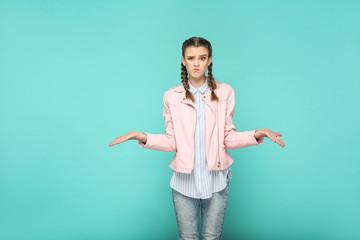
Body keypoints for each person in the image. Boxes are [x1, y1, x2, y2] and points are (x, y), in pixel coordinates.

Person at [109, 37, 285, 240]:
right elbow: (172, 141)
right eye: (191, 58)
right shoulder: (171, 97)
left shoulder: (225, 92)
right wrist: (142, 137)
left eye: (202, 58)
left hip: (216, 181)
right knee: (187, 238)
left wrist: (257, 134)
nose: (196, 63)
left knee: (212, 237)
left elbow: (228, 138)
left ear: (209, 60)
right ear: (183, 60)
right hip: (184, 183)